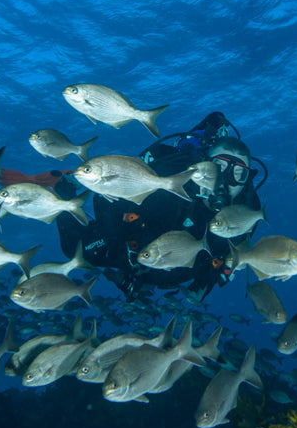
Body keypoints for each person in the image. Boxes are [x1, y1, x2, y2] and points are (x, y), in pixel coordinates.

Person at [55, 111, 265, 299]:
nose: (225, 180)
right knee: (74, 251)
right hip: (127, 247)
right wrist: (122, 256)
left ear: (246, 182)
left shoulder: (247, 212)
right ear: (203, 164)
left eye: (239, 174)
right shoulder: (165, 184)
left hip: (173, 271)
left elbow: (230, 258)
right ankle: (62, 192)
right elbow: (106, 198)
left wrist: (205, 281)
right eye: (218, 167)